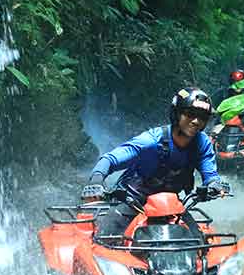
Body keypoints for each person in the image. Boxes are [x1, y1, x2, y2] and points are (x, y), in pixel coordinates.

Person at [81, 87, 223, 236]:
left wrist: (214, 184)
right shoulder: (151, 141)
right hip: (132, 202)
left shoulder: (202, 144)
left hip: (170, 206)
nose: (196, 121)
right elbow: (110, 160)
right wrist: (96, 181)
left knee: (199, 241)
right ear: (176, 113)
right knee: (104, 238)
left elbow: (210, 175)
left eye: (202, 117)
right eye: (190, 114)